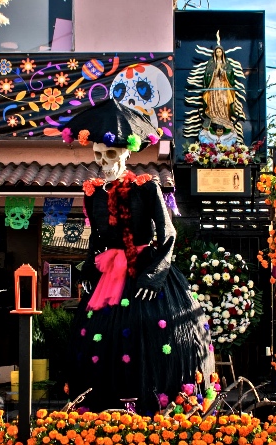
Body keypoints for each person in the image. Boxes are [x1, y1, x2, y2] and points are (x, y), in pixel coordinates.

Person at [67, 100, 213, 413]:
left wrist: (153, 274)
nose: (103, 162)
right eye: (97, 155)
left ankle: (162, 406)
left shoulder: (147, 188)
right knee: (102, 337)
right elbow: (96, 238)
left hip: (144, 266)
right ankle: (101, 411)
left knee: (152, 330)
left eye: (109, 154)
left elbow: (168, 233)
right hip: (108, 275)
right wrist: (89, 273)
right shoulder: (93, 192)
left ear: (127, 153)